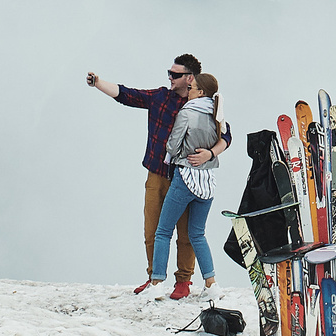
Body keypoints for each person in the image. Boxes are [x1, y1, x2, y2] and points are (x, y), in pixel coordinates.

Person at [86, 54, 232, 299]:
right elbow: (127, 95)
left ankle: (182, 281)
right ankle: (156, 277)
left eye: (175, 75)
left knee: (186, 233)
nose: (170, 78)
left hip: (185, 175)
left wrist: (210, 153)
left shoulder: (205, 107)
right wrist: (99, 83)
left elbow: (226, 136)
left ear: (190, 79)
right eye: (169, 73)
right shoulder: (161, 97)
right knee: (153, 229)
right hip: (159, 174)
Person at [147, 71, 226, 297]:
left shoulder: (188, 112)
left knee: (163, 231)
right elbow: (225, 138)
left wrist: (174, 154)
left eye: (191, 89)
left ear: (200, 92)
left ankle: (156, 284)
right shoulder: (217, 112)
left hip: (185, 176)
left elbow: (173, 145)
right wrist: (209, 154)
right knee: (197, 234)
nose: (188, 93)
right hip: (207, 179)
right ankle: (211, 284)